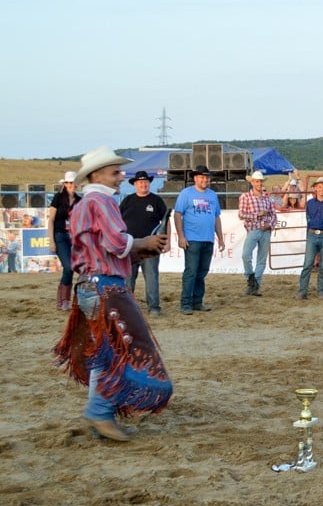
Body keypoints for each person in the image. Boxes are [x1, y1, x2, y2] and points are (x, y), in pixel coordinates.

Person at [52, 146, 172, 442]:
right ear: (97, 175)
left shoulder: (82, 205)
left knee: (105, 353)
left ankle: (100, 416)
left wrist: (135, 252)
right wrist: (143, 243)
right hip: (107, 287)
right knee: (129, 350)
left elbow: (100, 248)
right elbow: (117, 243)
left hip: (90, 285)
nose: (121, 177)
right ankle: (99, 411)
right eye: (115, 172)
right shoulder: (102, 203)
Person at [174, 165, 225, 315]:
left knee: (202, 272)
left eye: (207, 177)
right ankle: (186, 303)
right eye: (202, 177)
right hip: (192, 239)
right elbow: (178, 214)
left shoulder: (213, 195)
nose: (205, 180)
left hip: (208, 239)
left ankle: (197, 301)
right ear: (195, 178)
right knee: (191, 272)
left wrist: (220, 238)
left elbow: (216, 217)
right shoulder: (186, 193)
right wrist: (181, 236)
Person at [120, 170, 168, 316]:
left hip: (151, 246)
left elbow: (166, 221)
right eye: (140, 182)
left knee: (152, 276)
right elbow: (117, 221)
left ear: (149, 183)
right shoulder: (127, 201)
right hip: (130, 246)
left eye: (146, 182)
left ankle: (154, 307)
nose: (143, 184)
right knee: (128, 278)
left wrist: (166, 241)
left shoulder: (156, 201)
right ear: (135, 184)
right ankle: (127, 307)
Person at [238, 170, 277, 298]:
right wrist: (257, 215)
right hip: (253, 229)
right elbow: (241, 214)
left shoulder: (267, 198)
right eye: (256, 181)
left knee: (261, 259)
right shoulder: (245, 197)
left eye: (260, 181)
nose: (259, 183)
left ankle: (255, 284)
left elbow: (273, 215)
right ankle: (251, 279)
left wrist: (270, 225)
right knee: (246, 255)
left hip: (265, 230)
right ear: (252, 182)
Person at [48, 171, 82, 310]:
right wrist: (51, 240)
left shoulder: (80, 201)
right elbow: (51, 220)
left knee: (76, 268)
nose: (70, 185)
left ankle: (72, 299)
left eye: (72, 182)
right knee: (68, 267)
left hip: (74, 238)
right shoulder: (58, 198)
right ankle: (63, 300)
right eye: (68, 183)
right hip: (60, 235)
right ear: (64, 184)